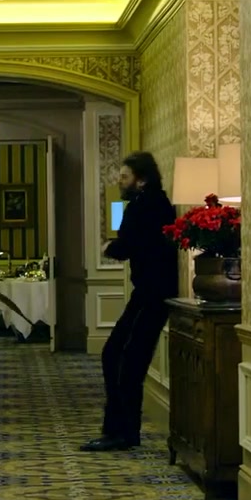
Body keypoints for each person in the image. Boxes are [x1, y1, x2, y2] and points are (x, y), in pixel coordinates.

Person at [82, 151, 180, 452]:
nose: (120, 182)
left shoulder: (143, 206)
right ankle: (123, 430)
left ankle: (121, 432)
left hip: (151, 293)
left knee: (121, 358)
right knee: (120, 357)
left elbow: (126, 246)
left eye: (125, 177)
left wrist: (109, 247)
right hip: (153, 291)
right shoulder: (157, 203)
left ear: (141, 180)